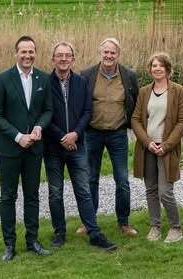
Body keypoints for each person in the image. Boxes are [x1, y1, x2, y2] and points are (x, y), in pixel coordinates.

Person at [43, 41, 116, 251]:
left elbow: (87, 112)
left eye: (67, 55)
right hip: (53, 147)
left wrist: (75, 134)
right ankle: (59, 232)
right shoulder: (45, 83)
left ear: (73, 59)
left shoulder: (81, 82)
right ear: (53, 59)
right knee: (55, 192)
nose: (63, 59)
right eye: (59, 55)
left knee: (83, 190)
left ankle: (94, 233)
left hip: (78, 145)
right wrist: (62, 137)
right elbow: (43, 114)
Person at [0, 35, 53, 261]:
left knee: (32, 196)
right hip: (9, 149)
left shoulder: (43, 78)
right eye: (23, 51)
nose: (27, 55)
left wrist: (39, 127)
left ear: (35, 53)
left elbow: (48, 110)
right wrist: (18, 137)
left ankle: (32, 240)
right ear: (16, 53)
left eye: (31, 51)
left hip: (34, 148)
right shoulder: (2, 79)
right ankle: (9, 245)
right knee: (8, 197)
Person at [79, 38, 140, 237]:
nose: (109, 56)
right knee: (90, 178)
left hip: (118, 134)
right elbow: (80, 103)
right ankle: (88, 223)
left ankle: (124, 222)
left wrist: (135, 127)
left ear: (118, 55)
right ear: (100, 52)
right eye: (106, 52)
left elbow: (135, 102)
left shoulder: (129, 76)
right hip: (92, 133)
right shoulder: (87, 75)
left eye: (113, 52)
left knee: (122, 179)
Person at [131, 52, 183, 243]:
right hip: (147, 148)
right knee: (151, 189)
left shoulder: (178, 91)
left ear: (167, 69)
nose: (157, 68)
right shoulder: (144, 92)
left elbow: (182, 121)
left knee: (165, 191)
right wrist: (147, 142)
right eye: (153, 66)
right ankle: (155, 226)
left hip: (167, 149)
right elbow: (135, 119)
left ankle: (175, 228)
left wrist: (166, 145)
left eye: (160, 65)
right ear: (150, 70)